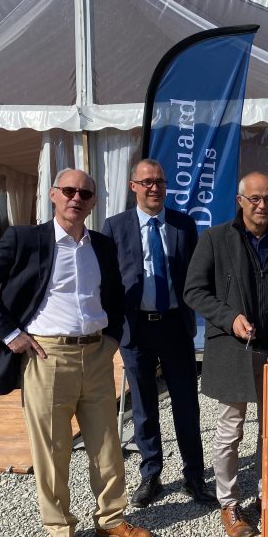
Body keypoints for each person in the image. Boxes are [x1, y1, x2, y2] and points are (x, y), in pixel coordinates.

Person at [0, 169, 151, 537]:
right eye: (68, 191)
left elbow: (114, 295)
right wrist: (11, 335)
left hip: (96, 355)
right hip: (46, 356)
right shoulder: (25, 239)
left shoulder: (102, 245)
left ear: (93, 201)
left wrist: (111, 338)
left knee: (107, 444)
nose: (76, 198)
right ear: (53, 195)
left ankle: (111, 518)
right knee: (52, 449)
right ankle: (60, 531)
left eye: (85, 193)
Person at [184, 172, 268, 537]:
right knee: (231, 429)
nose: (262, 205)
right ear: (240, 201)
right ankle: (229, 502)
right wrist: (228, 317)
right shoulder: (215, 239)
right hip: (234, 347)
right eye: (255, 199)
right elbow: (194, 291)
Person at [101, 159, 209, 508]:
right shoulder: (114, 227)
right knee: (145, 406)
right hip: (136, 331)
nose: (154, 187)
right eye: (146, 182)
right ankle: (151, 474)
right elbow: (107, 280)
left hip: (176, 327)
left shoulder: (183, 225)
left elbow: (195, 277)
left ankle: (194, 475)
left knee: (186, 404)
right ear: (133, 186)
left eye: (159, 181)